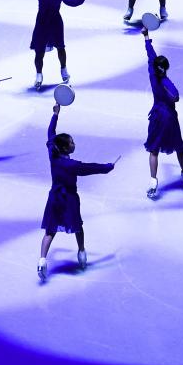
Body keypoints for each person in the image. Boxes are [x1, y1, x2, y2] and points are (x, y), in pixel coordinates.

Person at [38, 102, 116, 282]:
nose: (74, 144)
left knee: (50, 230)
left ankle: (42, 260)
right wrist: (107, 167)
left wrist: (55, 114)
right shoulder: (71, 165)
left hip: (54, 197)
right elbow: (89, 168)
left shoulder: (53, 153)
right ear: (65, 148)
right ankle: (81, 252)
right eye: (72, 142)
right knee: (78, 227)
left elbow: (50, 133)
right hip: (70, 199)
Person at [141, 28, 183, 199]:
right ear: (166, 68)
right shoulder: (167, 83)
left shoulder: (153, 76)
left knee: (153, 150)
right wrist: (167, 89)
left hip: (156, 118)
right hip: (169, 119)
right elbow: (176, 97)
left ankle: (153, 181)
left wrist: (146, 36)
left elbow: (150, 55)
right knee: (179, 148)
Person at [27, 0, 87, 89]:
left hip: (55, 24)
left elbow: (73, 2)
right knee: (39, 51)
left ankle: (63, 70)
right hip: (43, 24)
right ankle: (39, 75)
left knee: (60, 47)